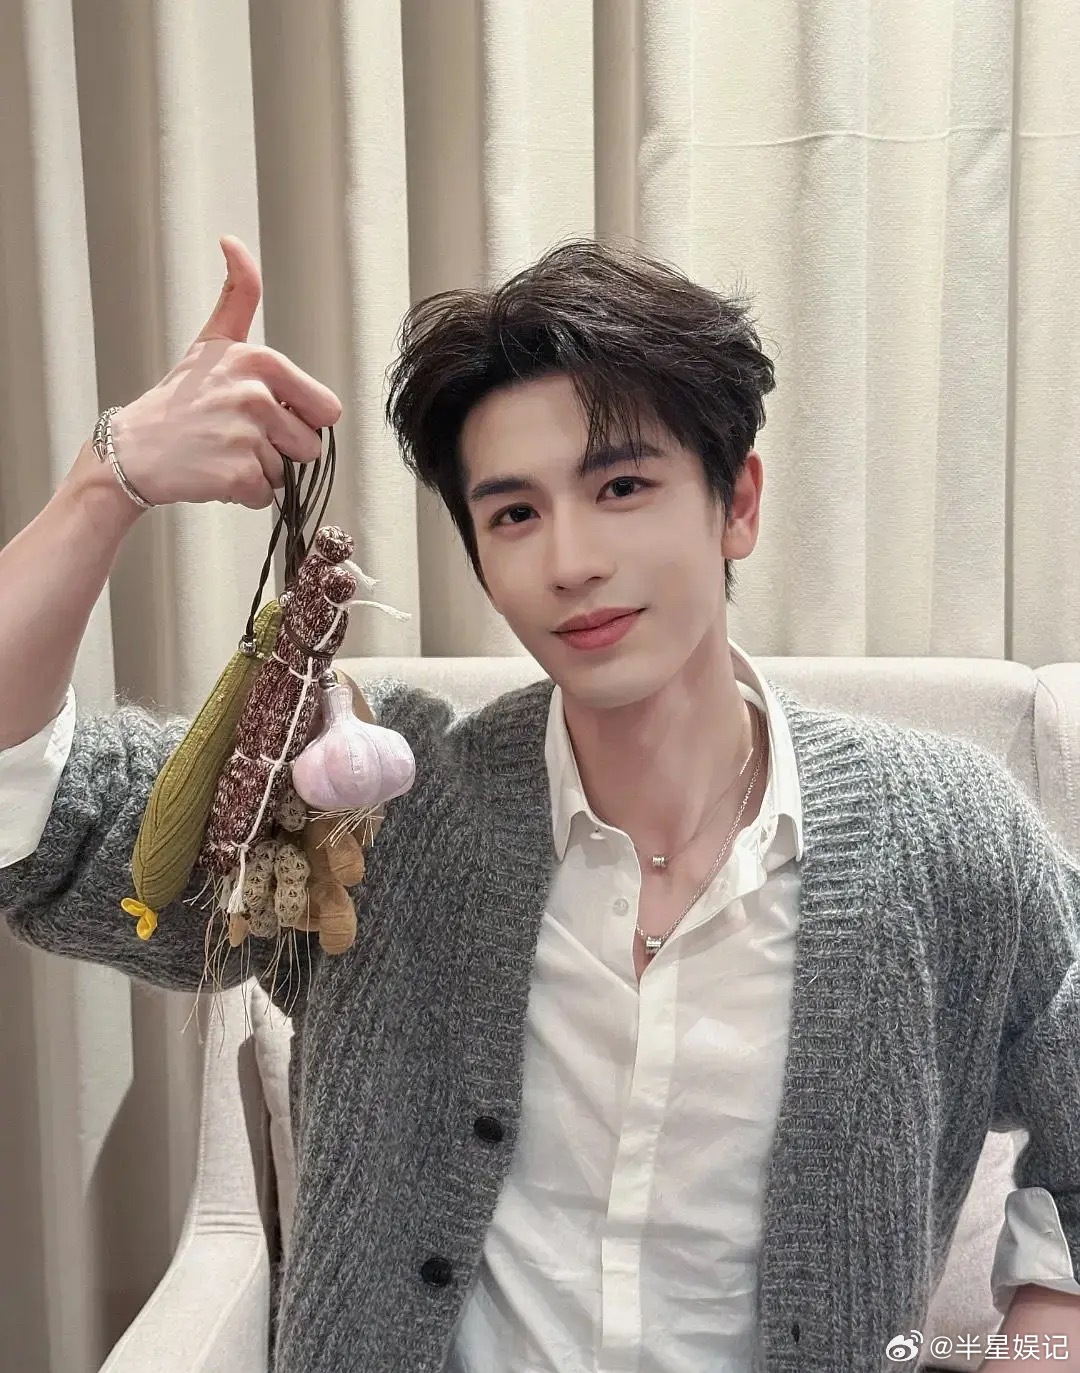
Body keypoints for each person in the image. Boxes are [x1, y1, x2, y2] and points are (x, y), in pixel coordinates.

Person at [0, 236, 1078, 1373]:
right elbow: (34, 810)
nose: (571, 560)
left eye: (622, 487)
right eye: (514, 513)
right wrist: (108, 479)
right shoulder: (377, 804)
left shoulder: (941, 838)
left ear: (737, 504)